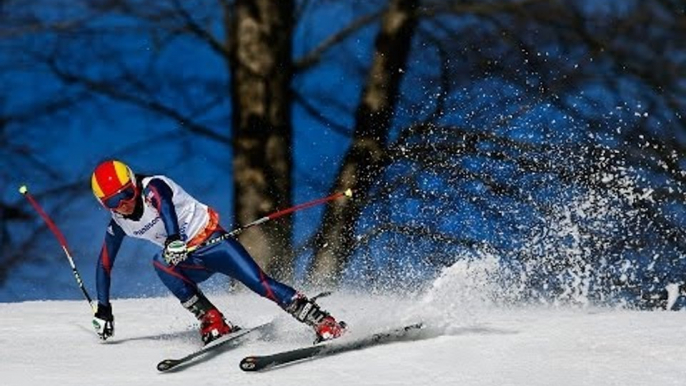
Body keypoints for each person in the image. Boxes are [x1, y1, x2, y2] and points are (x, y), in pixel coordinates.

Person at [89, 159, 346, 345]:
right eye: (113, 202)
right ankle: (212, 320)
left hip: (214, 242)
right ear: (104, 205)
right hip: (188, 259)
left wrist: (173, 240)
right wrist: (103, 308)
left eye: (126, 193)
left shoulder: (153, 187)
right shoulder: (119, 223)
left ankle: (323, 321)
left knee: (259, 283)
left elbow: (165, 207)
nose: (123, 203)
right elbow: (104, 263)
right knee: (160, 263)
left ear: (134, 183)